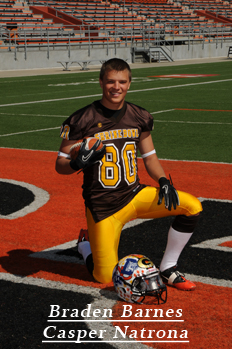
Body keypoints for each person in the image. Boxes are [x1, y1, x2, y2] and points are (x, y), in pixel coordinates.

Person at [55, 58, 202, 290]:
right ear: (101, 82)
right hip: (103, 206)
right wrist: (76, 164)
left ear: (129, 83)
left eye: (122, 82)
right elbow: (60, 164)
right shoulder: (81, 119)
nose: (116, 87)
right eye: (111, 81)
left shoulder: (139, 115)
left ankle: (168, 268)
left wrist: (162, 180)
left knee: (192, 207)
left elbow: (150, 156)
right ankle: (85, 246)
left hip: (134, 195)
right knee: (104, 278)